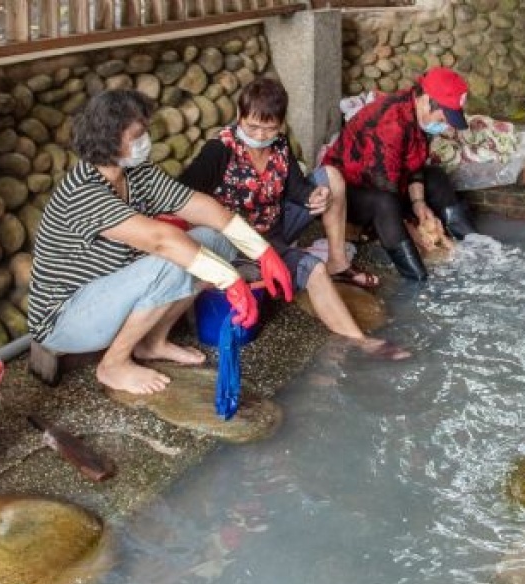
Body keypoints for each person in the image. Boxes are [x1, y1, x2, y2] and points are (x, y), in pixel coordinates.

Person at [28, 89, 294, 395]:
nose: (146, 140)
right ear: (110, 139)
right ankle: (113, 365)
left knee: (213, 239)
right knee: (172, 258)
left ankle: (152, 342)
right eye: (138, 134)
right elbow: (160, 240)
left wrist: (263, 251)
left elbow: (199, 205)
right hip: (66, 318)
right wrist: (230, 280)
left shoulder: (134, 172)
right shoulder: (83, 191)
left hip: (113, 289)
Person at [180, 77, 410, 360]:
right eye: (252, 127)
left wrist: (313, 197)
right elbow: (182, 195)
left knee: (331, 178)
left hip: (276, 226)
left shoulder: (279, 146)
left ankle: (341, 269)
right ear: (239, 116)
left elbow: (296, 187)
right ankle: (360, 340)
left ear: (280, 124)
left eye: (270, 128)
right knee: (314, 270)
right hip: (242, 243)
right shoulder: (220, 151)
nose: (261, 136)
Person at [320, 67, 479, 282]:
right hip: (348, 192)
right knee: (385, 204)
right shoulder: (391, 123)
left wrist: (419, 204)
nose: (443, 126)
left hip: (389, 180)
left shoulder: (420, 115)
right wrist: (419, 234)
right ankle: (417, 277)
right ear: (426, 100)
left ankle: (475, 245)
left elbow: (414, 165)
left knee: (437, 178)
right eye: (442, 119)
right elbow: (384, 187)